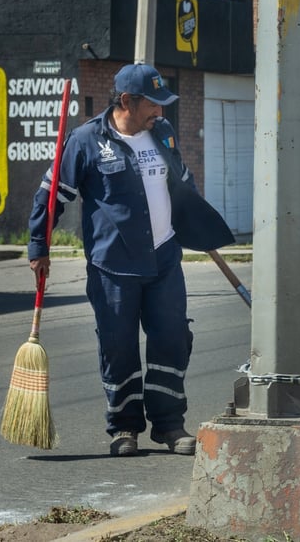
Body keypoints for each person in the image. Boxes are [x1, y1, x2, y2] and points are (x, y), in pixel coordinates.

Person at [28, 63, 232, 457]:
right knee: (118, 347)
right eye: (153, 104)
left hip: (165, 260)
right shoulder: (86, 141)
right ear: (126, 101)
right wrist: (39, 245)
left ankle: (170, 426)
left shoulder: (163, 134)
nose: (160, 112)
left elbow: (181, 184)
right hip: (113, 267)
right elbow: (51, 195)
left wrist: (199, 227)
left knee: (172, 341)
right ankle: (124, 428)